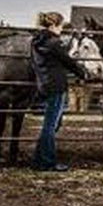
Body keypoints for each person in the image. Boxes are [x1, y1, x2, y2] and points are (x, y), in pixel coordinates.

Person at [31, 11, 88, 172]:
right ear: (54, 25)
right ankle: (47, 162)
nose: (62, 29)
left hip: (45, 84)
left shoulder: (36, 41)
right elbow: (68, 61)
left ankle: (38, 159)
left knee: (50, 124)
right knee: (51, 125)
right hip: (57, 86)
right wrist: (83, 73)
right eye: (61, 25)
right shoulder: (54, 42)